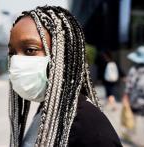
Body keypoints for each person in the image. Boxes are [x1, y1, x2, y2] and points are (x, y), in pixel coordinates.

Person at [8, 6, 122, 147]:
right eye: (12, 52)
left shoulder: (90, 129)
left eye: (30, 50)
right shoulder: (47, 107)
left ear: (63, 55)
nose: (16, 61)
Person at [123, 46, 144, 147]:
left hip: (135, 100)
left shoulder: (133, 70)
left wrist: (126, 96)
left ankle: (130, 138)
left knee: (133, 120)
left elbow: (129, 86)